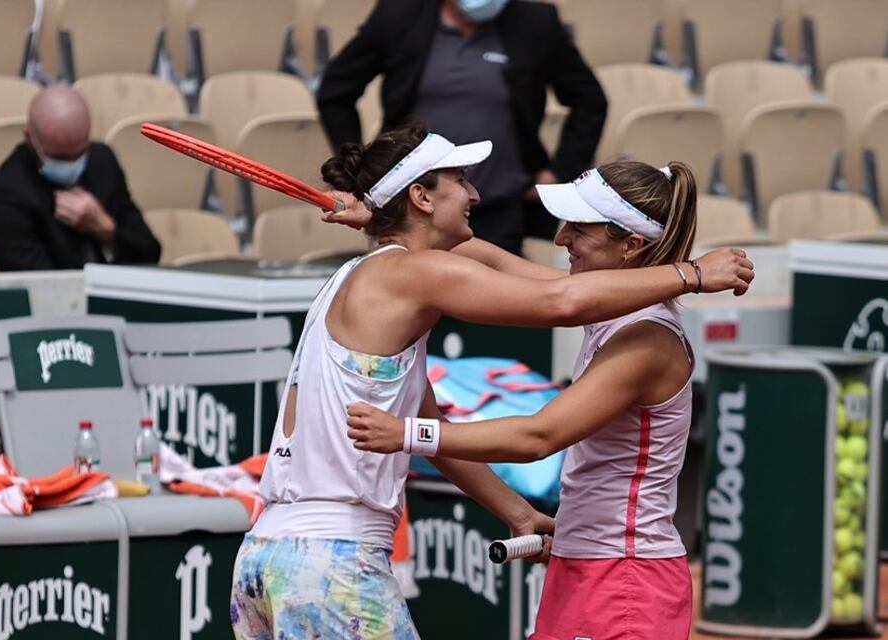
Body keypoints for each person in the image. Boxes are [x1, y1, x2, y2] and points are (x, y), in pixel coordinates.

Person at [231, 122, 752, 639]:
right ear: (420, 197)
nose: (476, 194)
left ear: (632, 244)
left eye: (578, 226)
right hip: (331, 565)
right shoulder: (412, 275)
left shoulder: (366, 275)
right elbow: (561, 302)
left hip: (265, 559)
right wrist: (693, 274)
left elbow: (514, 279)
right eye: (460, 180)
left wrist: (515, 510)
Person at [346, 159, 712, 639]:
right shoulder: (610, 307)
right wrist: (387, 221)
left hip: (624, 580)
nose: (560, 239)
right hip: (591, 568)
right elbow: (490, 260)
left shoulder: (648, 338)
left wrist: (408, 434)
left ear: (630, 246)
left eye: (578, 228)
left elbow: (539, 436)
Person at [316, 0, 607, 255]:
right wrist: (363, 173)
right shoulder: (399, 15)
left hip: (500, 208)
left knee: (495, 293)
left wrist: (560, 170)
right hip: (410, 213)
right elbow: (336, 92)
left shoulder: (535, 22)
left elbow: (590, 100)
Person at [0, 85, 161, 271]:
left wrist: (105, 228)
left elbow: (150, 252)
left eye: (81, 152)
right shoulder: (3, 196)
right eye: (60, 157)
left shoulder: (101, 161)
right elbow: (42, 281)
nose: (74, 164)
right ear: (29, 137)